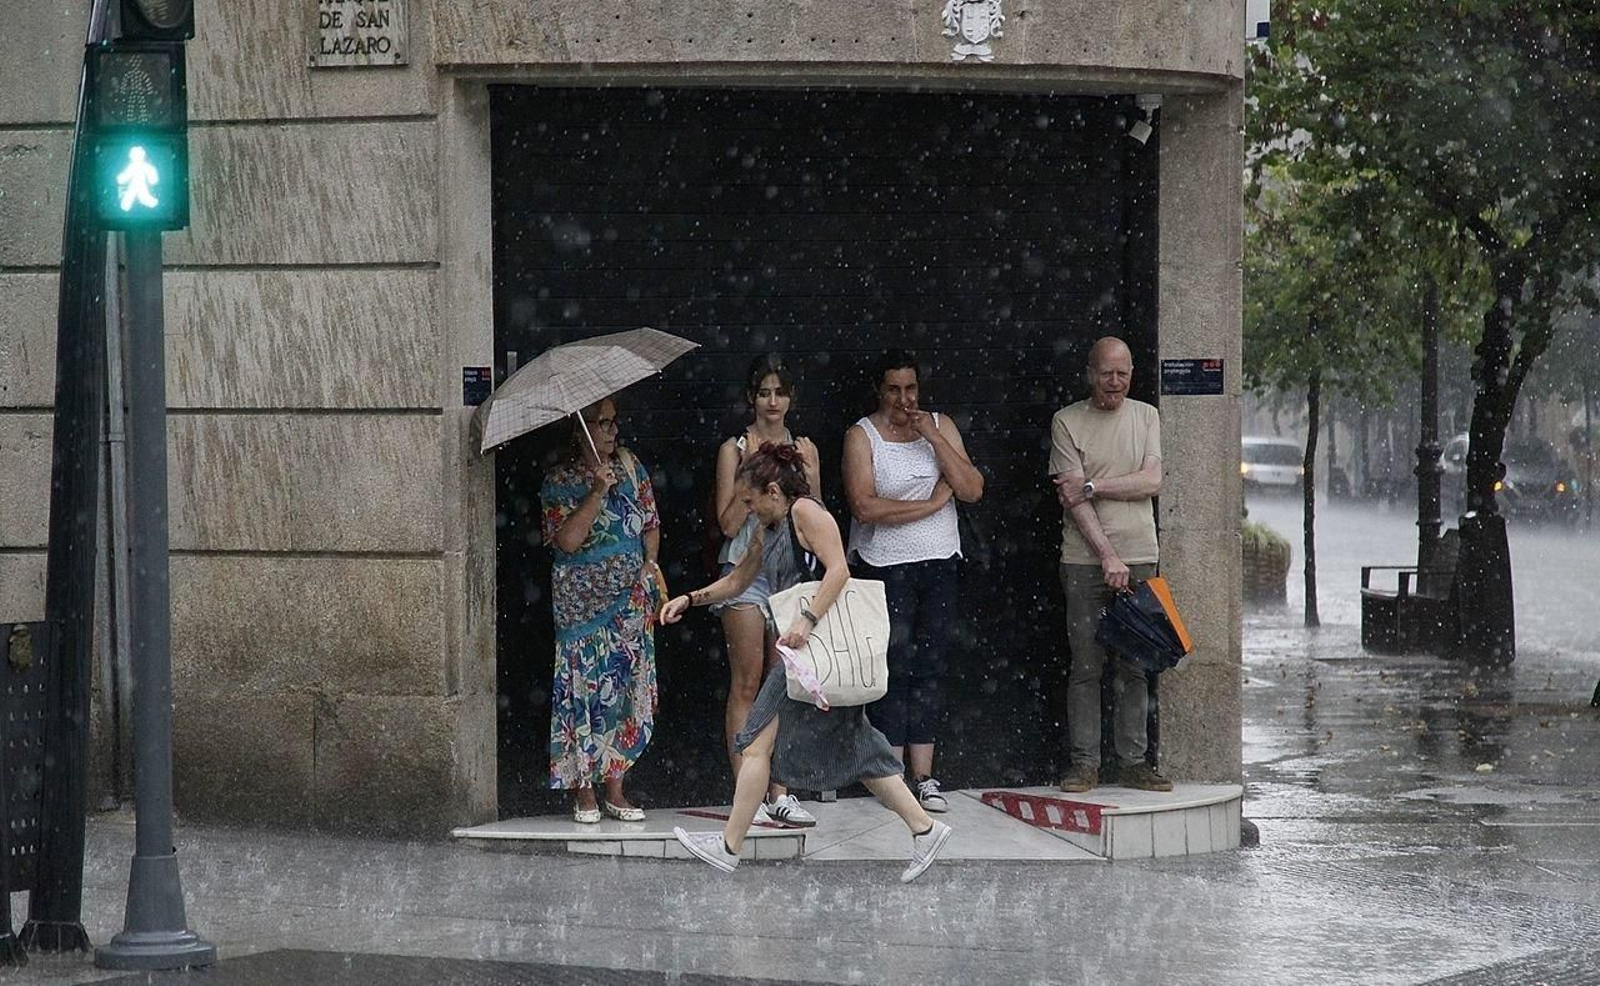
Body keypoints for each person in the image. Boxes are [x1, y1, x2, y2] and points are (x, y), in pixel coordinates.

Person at [663, 444, 953, 883]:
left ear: (773, 490)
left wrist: (807, 618)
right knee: (860, 750)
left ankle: (728, 847)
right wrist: (690, 598)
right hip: (804, 656)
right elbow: (739, 580)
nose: (747, 508)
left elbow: (838, 570)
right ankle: (925, 828)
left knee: (759, 743)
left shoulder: (806, 514)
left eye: (750, 500)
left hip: (814, 651)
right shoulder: (770, 526)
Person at [842, 349, 984, 813]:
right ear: (879, 392)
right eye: (894, 389)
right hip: (883, 565)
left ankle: (923, 775)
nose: (904, 399)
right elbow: (865, 507)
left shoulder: (939, 426)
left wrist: (934, 438)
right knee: (891, 667)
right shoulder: (862, 436)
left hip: (939, 560)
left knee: (930, 665)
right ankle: (889, 774)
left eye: (911, 389)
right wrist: (927, 506)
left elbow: (971, 489)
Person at [1049, 337, 1171, 793]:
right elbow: (1071, 500)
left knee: (1136, 665)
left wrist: (1095, 486)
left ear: (1132, 373)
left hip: (1142, 557)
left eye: (1122, 373)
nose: (1114, 382)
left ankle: (1134, 763)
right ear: (1090, 373)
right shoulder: (1067, 421)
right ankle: (1085, 765)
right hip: (1084, 561)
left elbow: (1153, 480)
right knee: (1086, 665)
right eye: (1106, 373)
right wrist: (1107, 556)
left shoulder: (1147, 416)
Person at [708, 355, 821, 828]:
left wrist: (803, 476)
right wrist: (750, 472)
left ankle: (781, 790)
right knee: (748, 682)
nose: (773, 402)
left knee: (785, 683)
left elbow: (815, 515)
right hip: (746, 567)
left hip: (790, 572)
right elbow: (728, 522)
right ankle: (745, 792)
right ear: (751, 397)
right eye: (764, 392)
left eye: (780, 392)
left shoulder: (805, 448)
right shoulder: (734, 448)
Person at [541, 397, 662, 822]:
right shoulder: (558, 481)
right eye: (602, 423)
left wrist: (648, 567)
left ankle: (616, 787)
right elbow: (568, 541)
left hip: (629, 604)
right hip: (581, 611)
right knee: (584, 692)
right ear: (580, 429)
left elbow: (651, 524)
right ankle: (584, 791)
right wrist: (596, 491)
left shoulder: (632, 467)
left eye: (614, 422)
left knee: (624, 691)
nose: (612, 431)